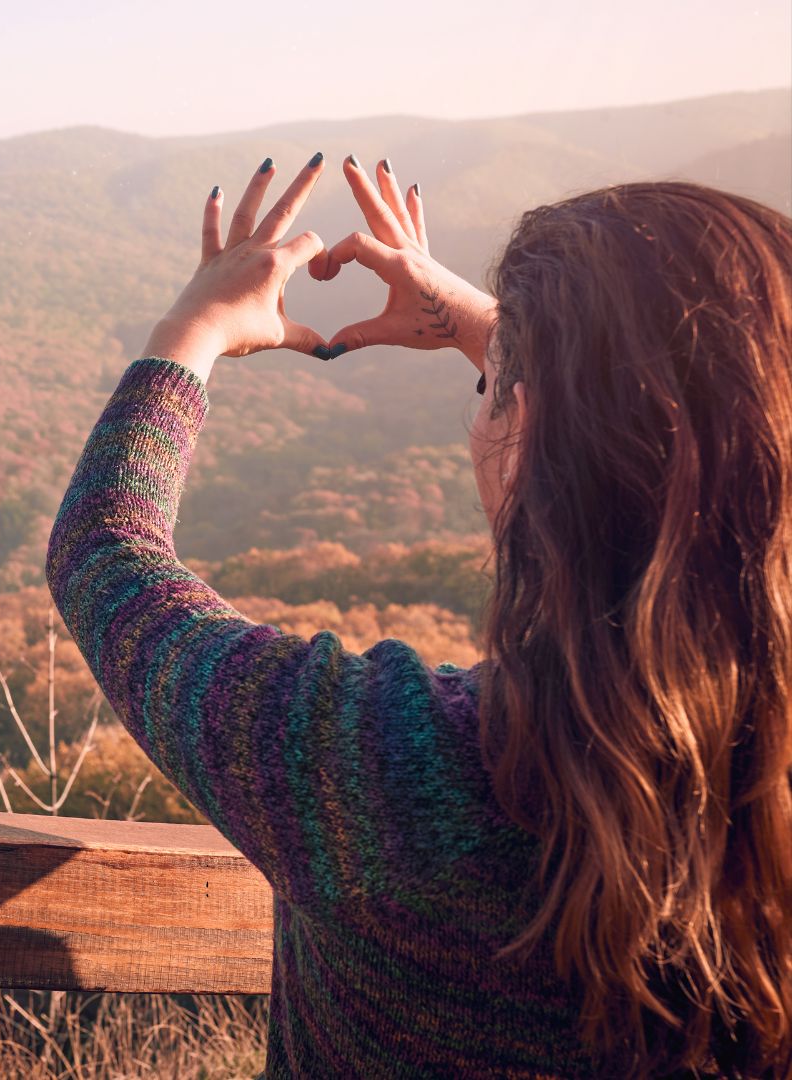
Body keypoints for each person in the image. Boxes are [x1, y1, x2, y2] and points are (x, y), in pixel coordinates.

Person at [46, 153, 791, 1078]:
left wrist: (190, 327)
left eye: (498, 394)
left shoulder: (384, 771)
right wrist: (502, 343)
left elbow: (104, 551)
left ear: (524, 433)